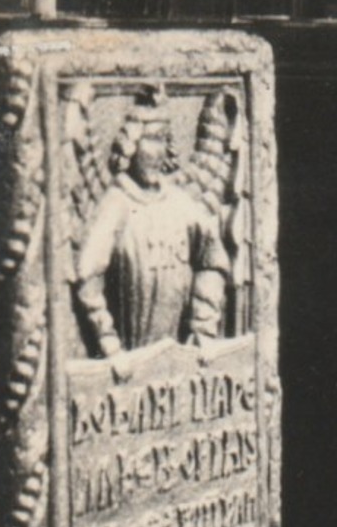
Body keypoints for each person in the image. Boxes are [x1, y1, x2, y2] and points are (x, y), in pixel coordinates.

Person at [73, 87, 229, 361]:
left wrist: (202, 329)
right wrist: (110, 344)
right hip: (131, 361)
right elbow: (88, 275)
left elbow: (212, 261)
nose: (159, 151)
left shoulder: (180, 203)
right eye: (151, 139)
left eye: (164, 139)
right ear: (130, 145)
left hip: (179, 360)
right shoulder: (116, 204)